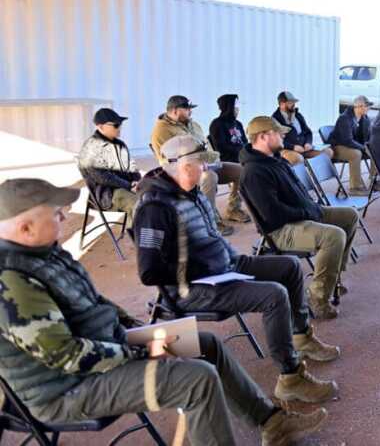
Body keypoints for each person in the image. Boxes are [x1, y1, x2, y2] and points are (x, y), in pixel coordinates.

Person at [0, 178, 326, 446]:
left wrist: (139, 330)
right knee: (196, 380)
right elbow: (67, 357)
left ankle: (272, 423)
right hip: (66, 388)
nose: (63, 217)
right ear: (26, 227)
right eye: (56, 213)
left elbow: (93, 303)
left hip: (106, 350)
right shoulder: (11, 279)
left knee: (205, 345)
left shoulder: (43, 254)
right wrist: (142, 350)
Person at [134, 135, 339, 404]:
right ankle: (290, 377)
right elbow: (149, 272)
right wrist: (203, 270)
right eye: (201, 164)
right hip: (196, 286)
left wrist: (221, 263)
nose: (207, 169)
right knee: (274, 295)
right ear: (184, 167)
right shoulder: (155, 208)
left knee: (289, 266)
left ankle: (301, 337)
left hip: (225, 267)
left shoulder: (191, 192)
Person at [240, 117, 359, 319]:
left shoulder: (275, 159)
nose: (283, 136)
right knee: (333, 236)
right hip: (281, 230)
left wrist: (311, 209)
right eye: (278, 133)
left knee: (349, 216)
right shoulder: (254, 172)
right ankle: (318, 297)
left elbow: (297, 195)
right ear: (262, 137)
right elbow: (273, 214)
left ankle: (333, 278)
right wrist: (307, 212)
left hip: (302, 215)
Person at [150, 95, 250, 235]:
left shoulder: (193, 125)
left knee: (242, 171)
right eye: (187, 109)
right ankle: (209, 220)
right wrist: (200, 163)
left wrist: (212, 159)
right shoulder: (161, 131)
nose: (191, 112)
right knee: (209, 177)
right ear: (175, 110)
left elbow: (206, 146)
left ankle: (233, 208)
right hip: (184, 172)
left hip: (207, 164)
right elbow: (169, 161)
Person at [77, 107, 142, 228]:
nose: (119, 128)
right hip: (105, 194)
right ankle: (142, 241)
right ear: (100, 126)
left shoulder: (120, 144)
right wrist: (129, 185)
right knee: (140, 204)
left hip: (125, 188)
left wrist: (138, 182)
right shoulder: (91, 148)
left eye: (120, 124)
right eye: (116, 125)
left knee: (154, 198)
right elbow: (103, 178)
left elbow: (132, 168)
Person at [327, 95, 377, 196]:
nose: (368, 108)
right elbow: (347, 140)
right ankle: (355, 187)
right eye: (367, 106)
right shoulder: (344, 118)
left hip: (353, 145)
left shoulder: (365, 118)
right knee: (356, 154)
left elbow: (368, 137)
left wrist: (370, 146)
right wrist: (363, 148)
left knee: (374, 150)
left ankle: (374, 180)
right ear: (359, 107)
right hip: (338, 147)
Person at [271, 91, 334, 165]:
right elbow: (276, 141)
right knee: (298, 158)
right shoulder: (274, 119)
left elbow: (308, 132)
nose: (293, 105)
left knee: (328, 152)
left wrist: (308, 143)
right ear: (282, 104)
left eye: (294, 102)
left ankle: (317, 174)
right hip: (288, 150)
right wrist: (293, 147)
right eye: (290, 102)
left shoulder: (298, 115)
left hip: (305, 149)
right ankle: (299, 174)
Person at [208, 93, 247, 163]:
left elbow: (245, 142)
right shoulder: (217, 124)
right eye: (236, 105)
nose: (238, 109)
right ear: (229, 106)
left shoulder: (238, 124)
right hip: (228, 161)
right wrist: (241, 150)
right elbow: (221, 148)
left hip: (243, 158)